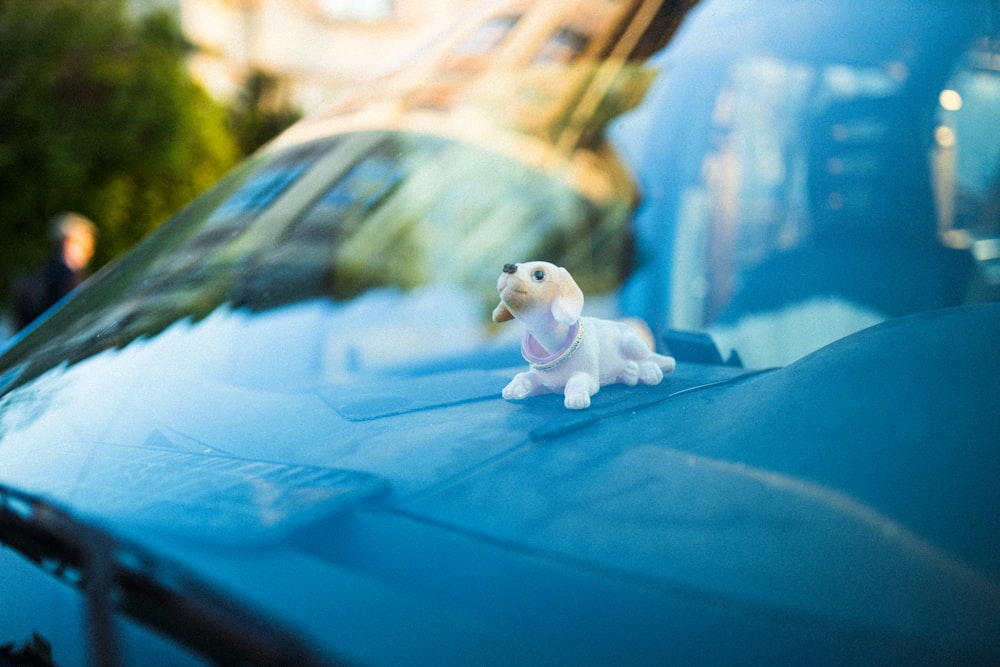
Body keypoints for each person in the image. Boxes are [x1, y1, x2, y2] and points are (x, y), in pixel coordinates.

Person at [12, 212, 97, 331]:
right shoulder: (68, 278)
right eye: (85, 245)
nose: (89, 252)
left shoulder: (43, 272)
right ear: (69, 243)